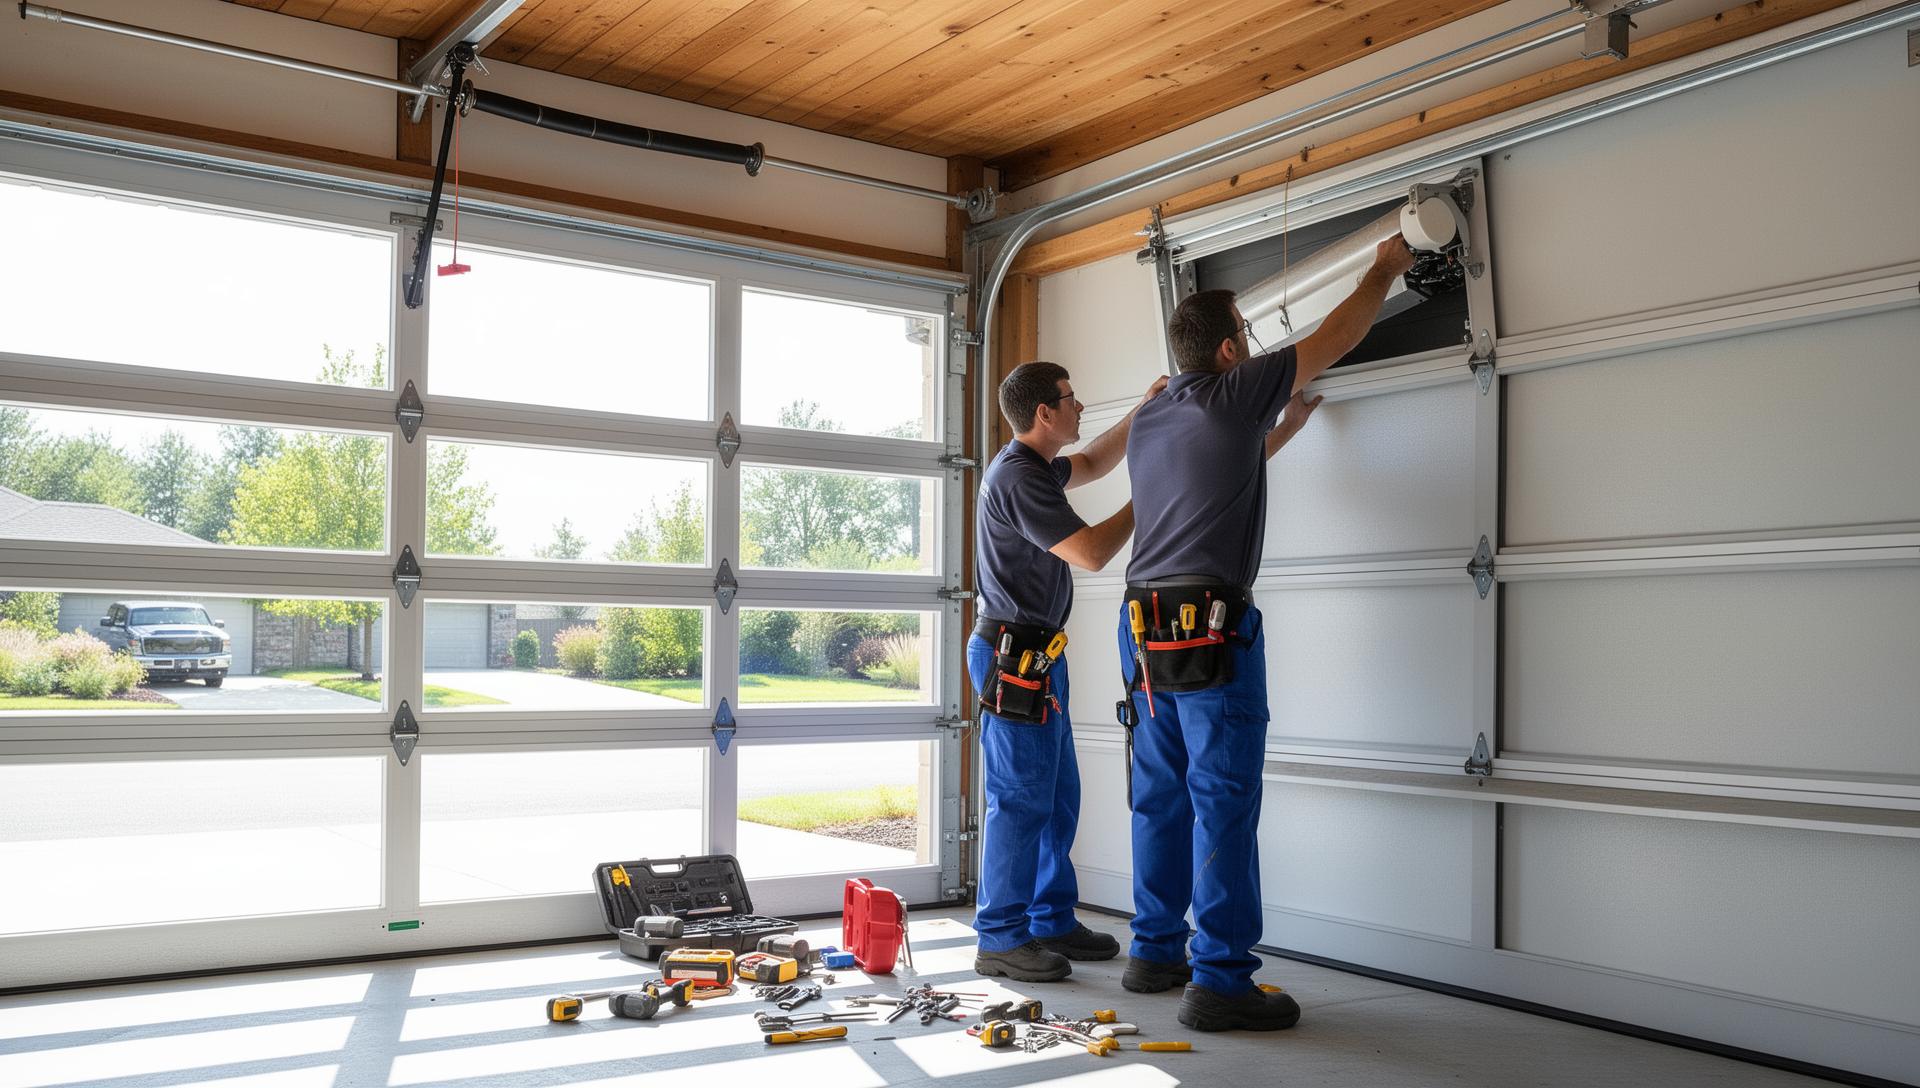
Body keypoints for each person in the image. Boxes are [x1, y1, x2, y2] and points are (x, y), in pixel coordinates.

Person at [1117, 235, 1419, 1029]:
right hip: (1211, 630)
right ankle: (1219, 982)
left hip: (1144, 628)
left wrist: (1283, 426)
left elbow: (1223, 463)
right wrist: (1385, 268)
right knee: (1222, 800)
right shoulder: (1234, 391)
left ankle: (1154, 950)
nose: (1252, 347)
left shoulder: (1153, 418)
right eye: (1245, 337)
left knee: (1160, 796)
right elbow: (1338, 335)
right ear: (1228, 351)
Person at [969, 360, 1168, 982]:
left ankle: (1049, 919)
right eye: (1070, 398)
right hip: (1014, 659)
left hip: (1039, 658)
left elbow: (1096, 461)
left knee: (1056, 796)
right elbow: (1092, 551)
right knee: (1019, 800)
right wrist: (1153, 495)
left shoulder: (1038, 467)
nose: (1079, 406)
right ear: (1044, 413)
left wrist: (1145, 408)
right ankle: (1001, 937)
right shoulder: (1018, 479)